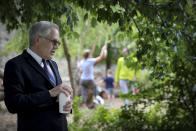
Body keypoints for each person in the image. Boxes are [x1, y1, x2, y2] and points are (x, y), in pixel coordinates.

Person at [3, 21, 73, 131]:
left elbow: (54, 99)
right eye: (54, 42)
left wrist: (66, 105)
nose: (57, 46)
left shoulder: (53, 64)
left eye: (58, 43)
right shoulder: (15, 65)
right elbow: (13, 104)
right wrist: (49, 93)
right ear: (38, 40)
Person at [79, 44, 107, 109]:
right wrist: (103, 49)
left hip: (82, 80)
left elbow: (80, 70)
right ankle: (95, 98)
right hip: (89, 80)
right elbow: (101, 57)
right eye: (90, 54)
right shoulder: (90, 61)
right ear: (88, 55)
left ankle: (84, 105)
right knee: (94, 88)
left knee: (84, 93)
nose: (91, 55)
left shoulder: (82, 61)